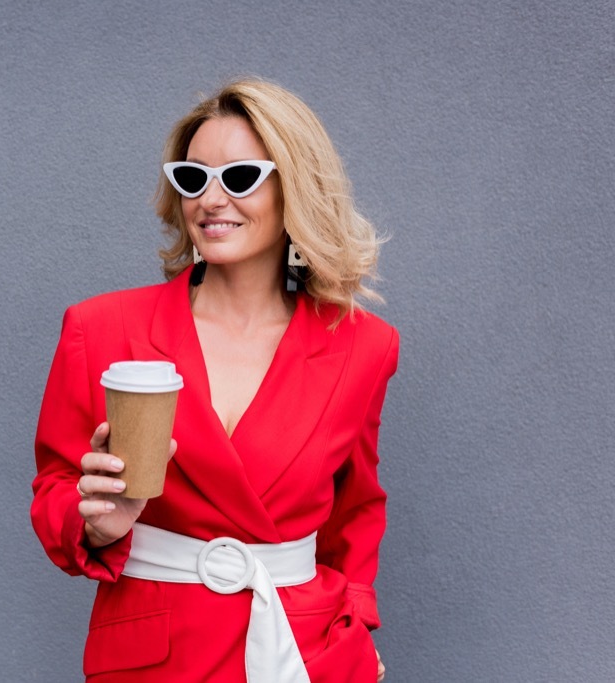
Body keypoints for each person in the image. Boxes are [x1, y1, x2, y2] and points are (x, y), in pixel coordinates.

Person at [31, 78, 398, 682]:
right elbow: (55, 488)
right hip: (154, 659)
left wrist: (356, 623)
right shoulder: (100, 328)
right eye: (193, 178)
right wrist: (94, 520)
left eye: (241, 178)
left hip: (302, 652)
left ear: (295, 189)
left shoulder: (363, 346)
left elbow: (355, 509)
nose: (211, 199)